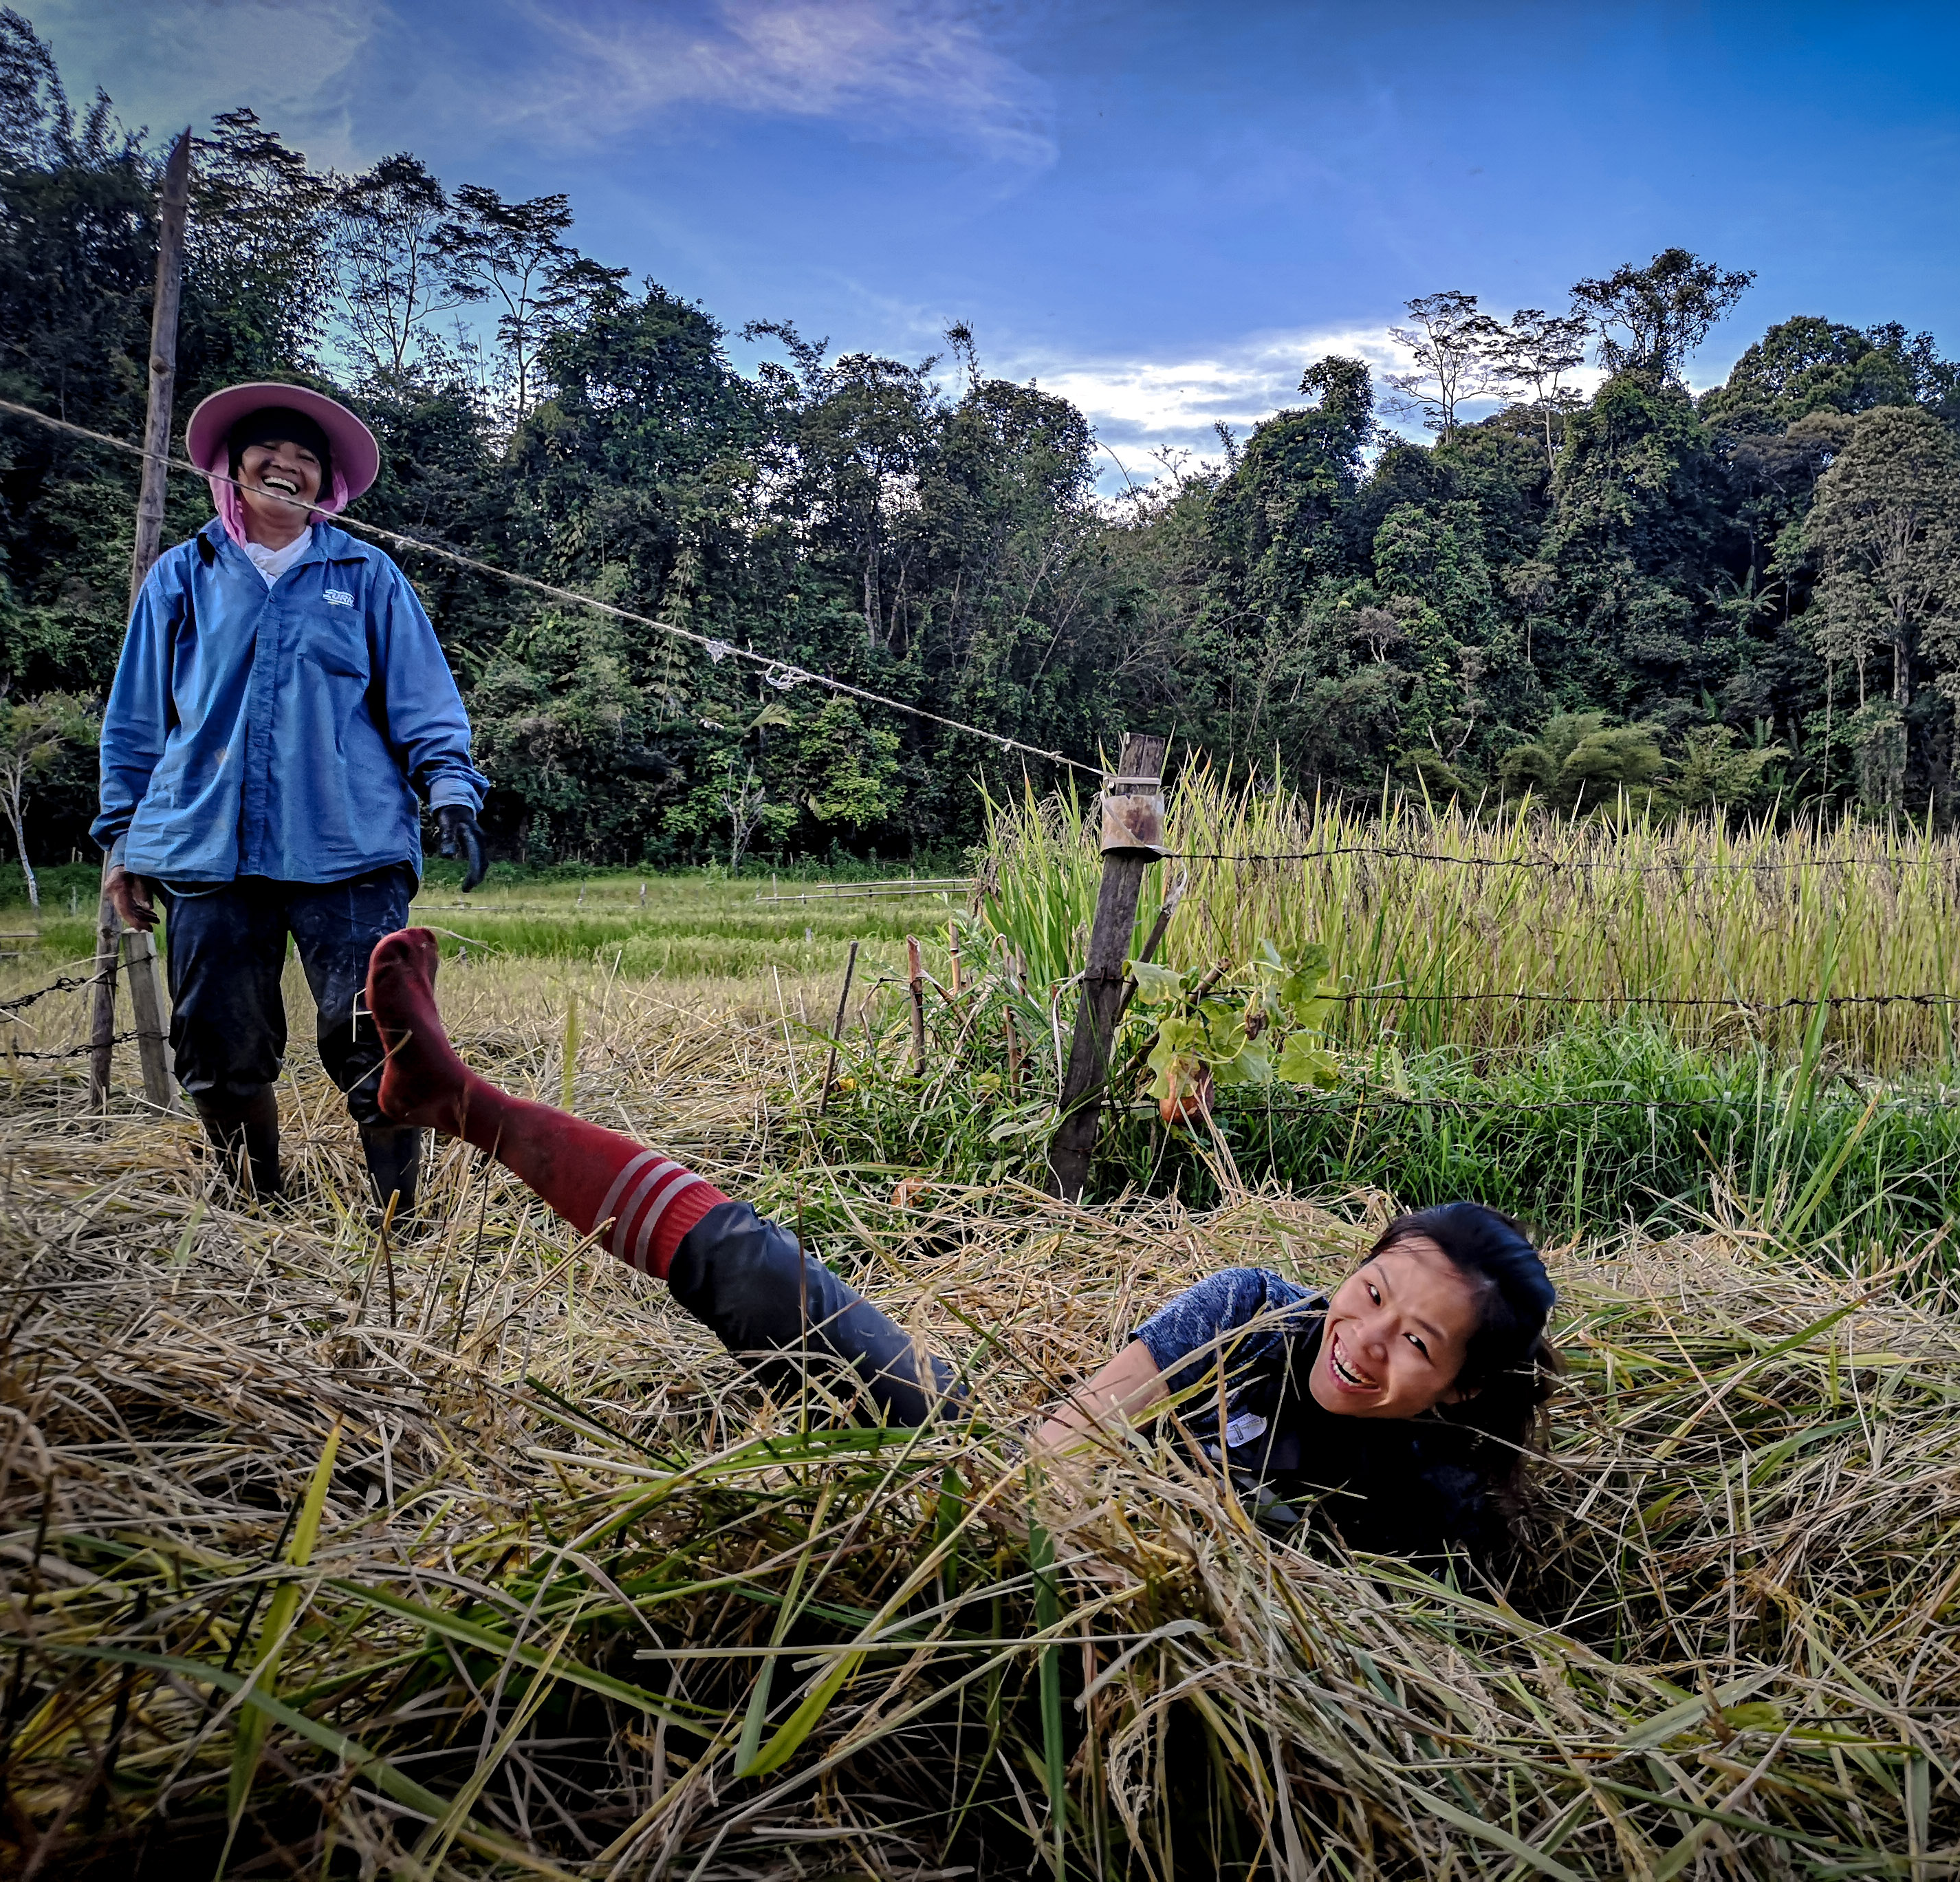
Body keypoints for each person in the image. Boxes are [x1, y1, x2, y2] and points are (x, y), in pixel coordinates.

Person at [364, 927, 1562, 1559]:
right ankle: (466, 1102)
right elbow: (1060, 1443)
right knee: (776, 1288)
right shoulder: (1252, 1307)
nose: (1364, 1343)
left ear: (1456, 1388)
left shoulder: (1436, 1502)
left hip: (1158, 1668)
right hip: (1011, 1507)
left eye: (1418, 1344)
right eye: (1369, 1294)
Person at [94, 383, 491, 1215]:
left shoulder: (366, 573)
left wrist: (451, 787)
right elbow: (136, 722)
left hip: (349, 846)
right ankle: (256, 1200)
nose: (289, 467)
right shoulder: (183, 576)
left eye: (308, 458)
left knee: (379, 1036)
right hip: (205, 844)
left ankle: (397, 1217)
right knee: (218, 1042)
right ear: (231, 470)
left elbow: (424, 700)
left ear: (326, 483)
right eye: (269, 453)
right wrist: (121, 841)